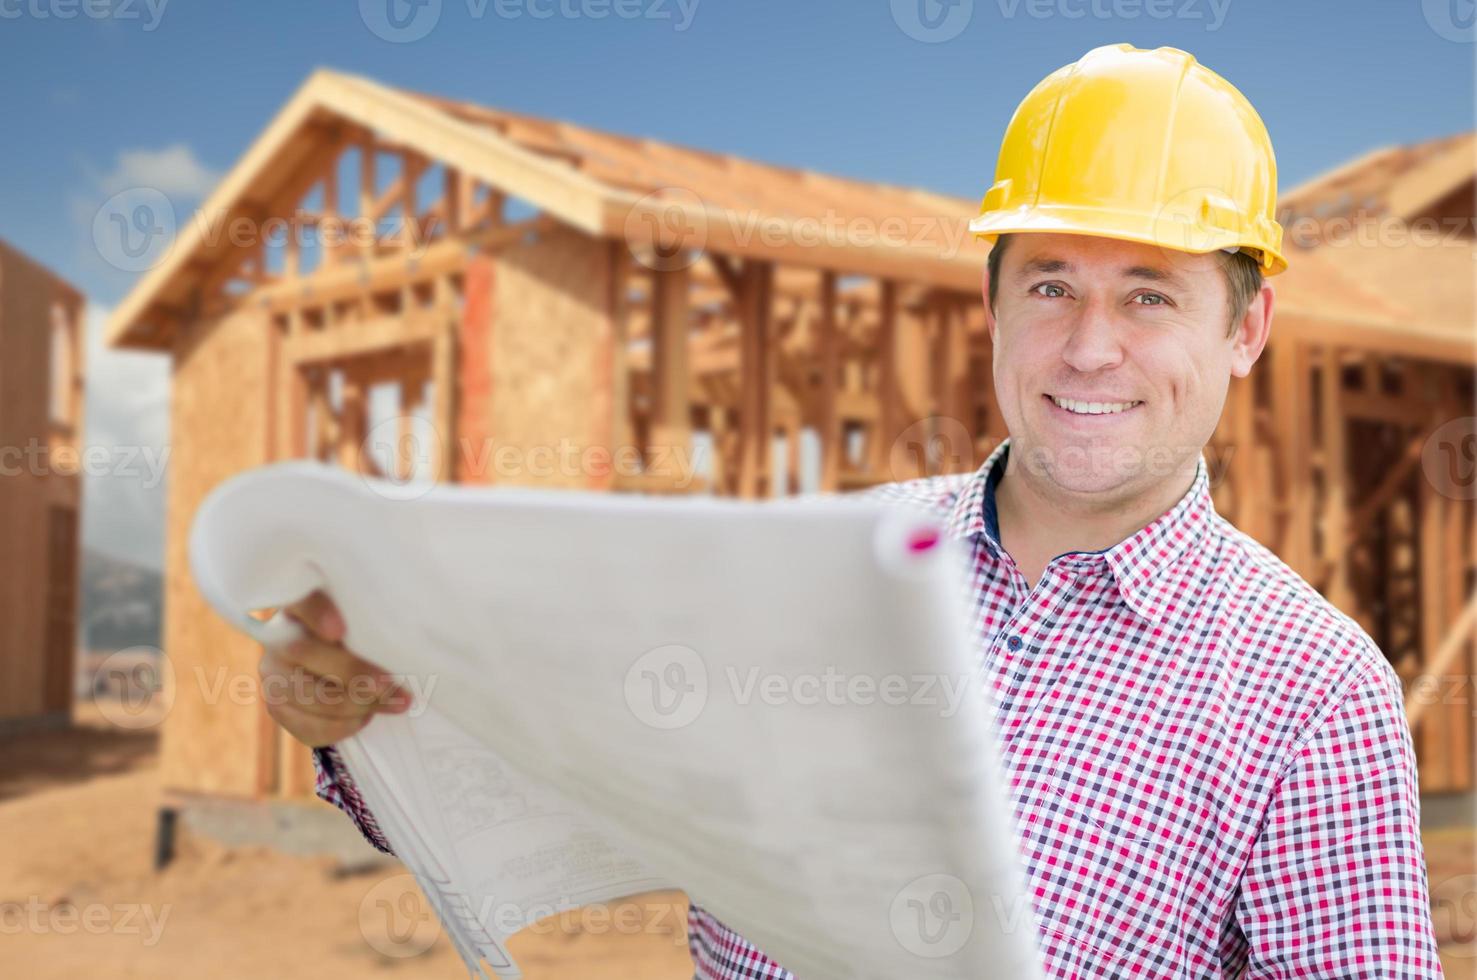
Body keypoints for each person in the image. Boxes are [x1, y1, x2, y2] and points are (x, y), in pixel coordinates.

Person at [259, 43, 1443, 978]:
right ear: (991, 306)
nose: (1089, 348)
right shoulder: (823, 564)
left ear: (1245, 328)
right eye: (1048, 286)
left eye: (1148, 294)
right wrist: (362, 717)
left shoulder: (1309, 691)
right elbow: (554, 787)